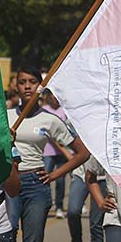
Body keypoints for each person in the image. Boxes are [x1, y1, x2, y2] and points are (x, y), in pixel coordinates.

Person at [5, 67, 90, 242]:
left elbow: (81, 153)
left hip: (36, 186)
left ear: (41, 88)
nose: (28, 87)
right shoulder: (4, 117)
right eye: (23, 82)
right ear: (15, 86)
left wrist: (54, 174)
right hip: (8, 184)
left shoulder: (51, 120)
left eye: (33, 82)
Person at [65, 155, 107, 242]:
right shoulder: (80, 133)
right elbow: (61, 141)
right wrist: (74, 159)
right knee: (73, 211)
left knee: (96, 226)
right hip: (81, 174)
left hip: (102, 178)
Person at [41, 90, 67, 218]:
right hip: (47, 151)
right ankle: (45, 203)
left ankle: (59, 206)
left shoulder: (64, 111)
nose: (55, 98)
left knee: (60, 181)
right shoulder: (44, 109)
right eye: (53, 96)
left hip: (62, 151)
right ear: (49, 97)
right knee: (45, 178)